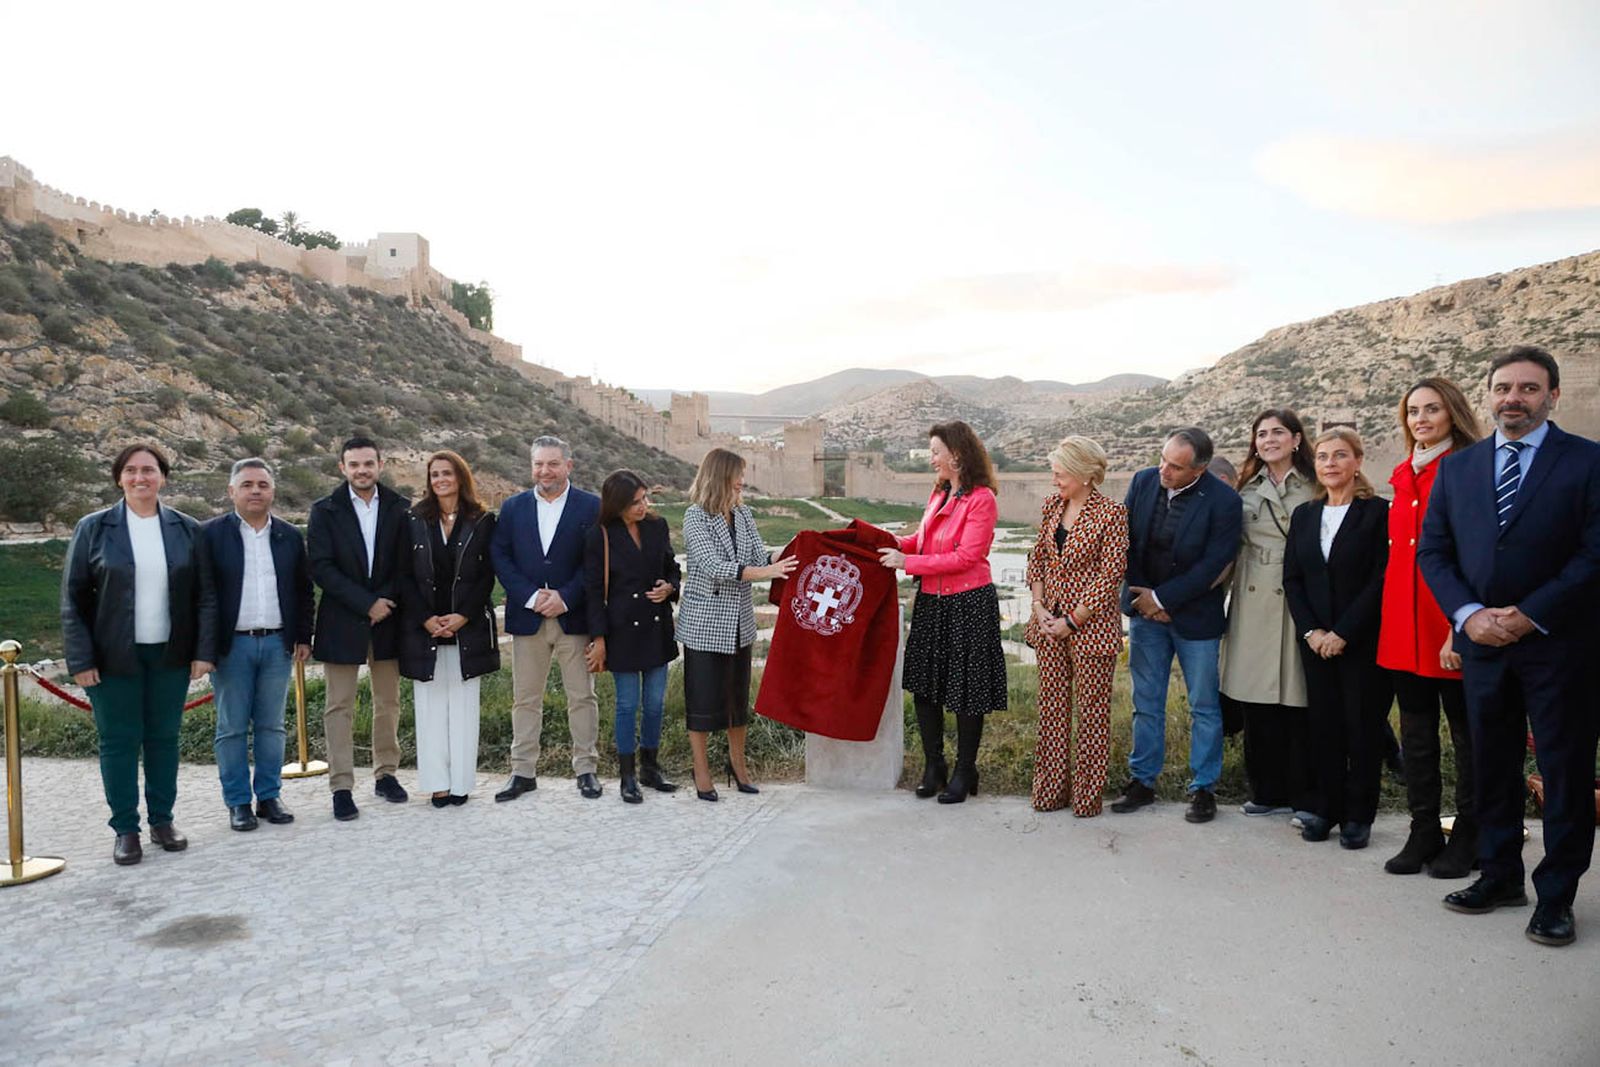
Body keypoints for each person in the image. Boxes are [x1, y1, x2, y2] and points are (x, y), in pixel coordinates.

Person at [1420, 345, 1600, 947]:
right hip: (1483, 646)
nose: (1512, 398)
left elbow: (1594, 556)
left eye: (1527, 388)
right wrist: (1468, 616)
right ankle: (1499, 876)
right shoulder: (1459, 468)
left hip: (1561, 646)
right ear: (1489, 395)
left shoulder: (1588, 462)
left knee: (1563, 771)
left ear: (1552, 395)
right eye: (1502, 388)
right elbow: (1434, 553)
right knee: (1491, 765)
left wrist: (1529, 614)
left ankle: (1556, 898)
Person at [60, 443, 211, 865]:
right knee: (119, 741)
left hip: (171, 654)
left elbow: (205, 598)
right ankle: (125, 829)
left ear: (163, 477)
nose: (140, 477)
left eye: (149, 470)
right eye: (131, 470)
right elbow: (73, 598)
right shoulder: (94, 528)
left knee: (164, 738)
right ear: (119, 477)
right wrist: (81, 659)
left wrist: (202, 651)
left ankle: (162, 821)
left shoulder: (187, 529)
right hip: (112, 657)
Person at [1377, 378, 1482, 877]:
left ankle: (1468, 835)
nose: (1421, 419)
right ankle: (1422, 833)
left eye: (1432, 409)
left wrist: (1457, 630)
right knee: (1416, 736)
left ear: (1452, 413)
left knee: (1468, 738)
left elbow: (1476, 557)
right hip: (1402, 628)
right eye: (1413, 410)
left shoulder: (1468, 468)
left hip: (1449, 627)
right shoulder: (1402, 473)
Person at [1113, 428, 1242, 822]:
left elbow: (1212, 564)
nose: (1164, 470)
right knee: (1145, 702)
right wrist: (1144, 599)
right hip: (1145, 609)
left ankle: (1203, 788)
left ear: (1199, 469)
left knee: (1204, 705)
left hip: (1195, 618)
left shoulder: (1225, 502)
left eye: (1175, 466)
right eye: (1163, 459)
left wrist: (1164, 599)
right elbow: (1126, 542)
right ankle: (1142, 782)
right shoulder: (1143, 480)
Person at [878, 421, 1009, 805]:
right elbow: (921, 542)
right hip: (933, 603)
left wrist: (908, 562)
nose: (931, 459)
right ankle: (934, 765)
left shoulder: (982, 499)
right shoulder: (939, 493)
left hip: (969, 603)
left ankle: (965, 769)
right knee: (925, 686)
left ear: (957, 454)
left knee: (966, 691)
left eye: (936, 452)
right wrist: (886, 544)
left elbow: (968, 557)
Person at [1283, 429, 1391, 849]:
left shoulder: (1379, 512)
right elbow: (1292, 578)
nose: (1329, 463)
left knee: (1362, 729)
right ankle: (1326, 809)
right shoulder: (1305, 515)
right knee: (1323, 728)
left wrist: (1343, 632)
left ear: (1358, 461)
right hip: (1315, 643)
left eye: (1340, 455)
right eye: (1323, 456)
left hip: (1362, 641)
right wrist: (1312, 631)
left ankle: (1358, 816)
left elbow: (1382, 579)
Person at [196, 458, 314, 832]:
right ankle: (237, 803)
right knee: (231, 728)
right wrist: (205, 649)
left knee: (272, 726)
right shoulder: (210, 535)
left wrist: (303, 637)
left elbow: (303, 591)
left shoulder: (290, 536)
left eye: (262, 485)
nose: (256, 491)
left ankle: (268, 796)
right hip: (233, 647)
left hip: (278, 643)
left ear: (273, 491)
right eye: (247, 485)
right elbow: (200, 594)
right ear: (232, 491)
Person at [676, 448, 797, 801]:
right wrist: (768, 572)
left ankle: (738, 766)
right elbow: (714, 566)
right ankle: (701, 772)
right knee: (701, 702)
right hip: (705, 625)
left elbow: (758, 554)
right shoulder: (694, 517)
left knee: (736, 701)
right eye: (737, 475)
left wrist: (789, 553)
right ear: (721, 476)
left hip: (739, 625)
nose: (742, 482)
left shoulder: (742, 514)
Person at [490, 435, 604, 801]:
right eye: (539, 464)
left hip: (573, 618)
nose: (545, 471)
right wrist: (531, 595)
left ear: (568, 466)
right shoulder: (513, 508)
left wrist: (566, 597)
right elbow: (501, 557)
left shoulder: (591, 507)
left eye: (553, 463)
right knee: (525, 698)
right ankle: (523, 771)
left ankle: (586, 769)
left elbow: (595, 563)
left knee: (582, 697)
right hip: (528, 617)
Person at [1023, 435, 1128, 816]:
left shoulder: (1112, 514)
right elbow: (1037, 560)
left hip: (1091, 630)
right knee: (1050, 711)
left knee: (1092, 715)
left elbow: (1110, 573)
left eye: (1060, 473)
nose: (1055, 480)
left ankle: (1086, 798)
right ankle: (1050, 792)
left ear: (1085, 473)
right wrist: (1037, 607)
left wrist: (1074, 619)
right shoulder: (1052, 505)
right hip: (1048, 624)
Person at [1220, 409, 1316, 820]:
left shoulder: (1316, 485)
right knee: (1255, 700)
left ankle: (1303, 792)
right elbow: (1229, 550)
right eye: (1262, 433)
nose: (1269, 440)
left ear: (1296, 439)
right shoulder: (1246, 488)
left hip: (1300, 596)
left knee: (1299, 701)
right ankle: (1265, 790)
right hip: (1253, 600)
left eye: (1278, 432)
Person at [307, 435, 409, 820]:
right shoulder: (324, 510)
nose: (362, 470)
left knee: (388, 702)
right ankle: (342, 786)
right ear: (342, 468)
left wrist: (383, 602)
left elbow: (405, 565)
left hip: (389, 619)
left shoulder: (401, 508)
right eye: (355, 464)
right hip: (341, 620)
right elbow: (321, 566)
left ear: (380, 465)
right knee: (339, 706)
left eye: (369, 463)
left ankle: (386, 774)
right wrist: (366, 603)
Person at [398, 451, 499, 808]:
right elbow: (404, 575)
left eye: (447, 473)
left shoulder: (483, 520)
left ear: (460, 477)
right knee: (429, 709)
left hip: (466, 628)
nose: (441, 479)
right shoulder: (412, 519)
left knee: (463, 708)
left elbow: (487, 576)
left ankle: (460, 784)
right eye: (435, 474)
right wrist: (426, 618)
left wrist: (463, 616)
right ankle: (437, 784)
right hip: (423, 627)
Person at [583, 469, 681, 803]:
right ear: (618, 504)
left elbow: (672, 566)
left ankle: (650, 768)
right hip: (621, 631)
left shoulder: (657, 525)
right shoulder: (600, 535)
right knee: (627, 705)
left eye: (645, 499)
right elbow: (593, 591)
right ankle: (627, 775)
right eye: (636, 502)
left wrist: (670, 587)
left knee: (654, 704)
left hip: (656, 627)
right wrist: (598, 638)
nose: (644, 506)